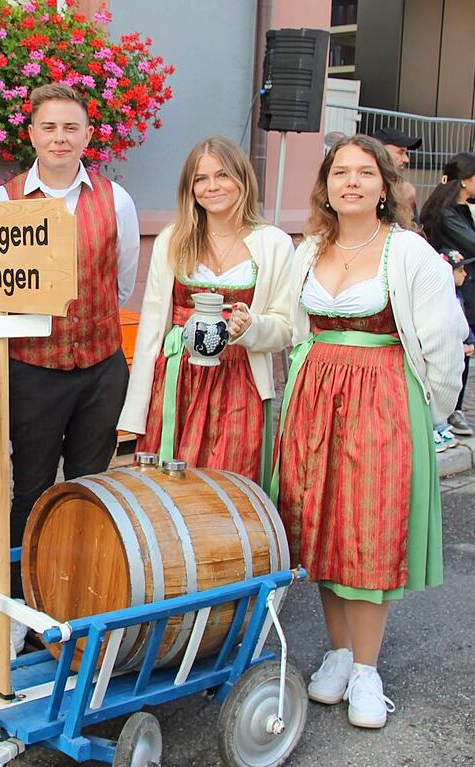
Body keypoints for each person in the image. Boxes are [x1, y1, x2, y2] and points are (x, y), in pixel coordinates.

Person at [274, 135, 465, 730]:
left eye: (364, 173)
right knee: (323, 528)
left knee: (369, 529)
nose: (350, 182)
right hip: (314, 397)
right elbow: (287, 324)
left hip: (382, 400)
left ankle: (366, 670)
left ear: (385, 187)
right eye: (339, 173)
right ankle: (336, 652)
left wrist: (426, 413)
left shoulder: (407, 251)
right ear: (326, 186)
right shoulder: (309, 248)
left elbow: (442, 343)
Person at [0, 83, 140, 652]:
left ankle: (81, 601)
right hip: (32, 369)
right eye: (49, 127)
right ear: (31, 134)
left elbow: (120, 283)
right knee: (27, 489)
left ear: (87, 136)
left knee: (90, 488)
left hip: (99, 367)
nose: (59, 137)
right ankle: (23, 608)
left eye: (70, 128)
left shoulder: (114, 200)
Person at [117, 136, 293, 485]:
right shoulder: (173, 238)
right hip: (177, 378)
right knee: (169, 482)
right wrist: (135, 410)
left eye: (222, 175)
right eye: (201, 178)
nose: (212, 186)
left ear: (242, 180)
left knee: (230, 482)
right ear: (190, 188)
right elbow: (153, 327)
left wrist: (250, 328)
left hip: (239, 378)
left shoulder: (274, 242)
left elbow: (287, 327)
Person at [419, 152, 475, 437]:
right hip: (457, 289)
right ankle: (449, 411)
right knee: (456, 346)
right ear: (465, 180)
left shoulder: (464, 209)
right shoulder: (446, 212)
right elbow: (471, 243)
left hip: (466, 287)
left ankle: (457, 407)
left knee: (465, 348)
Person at [432, 249, 475, 450]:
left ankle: (454, 412)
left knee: (459, 374)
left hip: (458, 345)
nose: (464, 274)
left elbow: (462, 322)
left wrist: (470, 341)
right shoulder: (441, 295)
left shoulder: (458, 295)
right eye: (460, 270)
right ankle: (437, 423)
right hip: (444, 346)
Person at [371, 126, 420, 218]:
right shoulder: (366, 185)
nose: (406, 159)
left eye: (406, 153)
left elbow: (415, 229)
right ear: (381, 152)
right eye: (400, 152)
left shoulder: (403, 189)